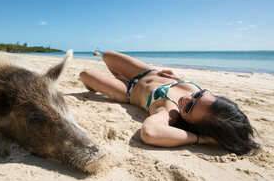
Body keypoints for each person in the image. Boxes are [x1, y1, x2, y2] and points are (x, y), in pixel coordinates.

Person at [79, 51, 260, 155]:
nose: (187, 98)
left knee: (85, 74)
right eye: (198, 94)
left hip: (129, 91)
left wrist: (202, 139)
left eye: (188, 108)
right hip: (147, 73)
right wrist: (179, 79)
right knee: (107, 55)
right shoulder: (204, 101)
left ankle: (104, 83)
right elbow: (197, 99)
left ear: (191, 124)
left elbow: (149, 133)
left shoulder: (169, 112)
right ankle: (110, 80)